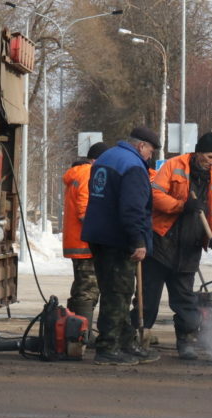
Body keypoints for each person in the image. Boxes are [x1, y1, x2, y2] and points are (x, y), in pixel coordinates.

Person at [134, 132, 212, 360]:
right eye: (209, 157)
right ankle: (138, 336)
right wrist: (181, 205)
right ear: (198, 152)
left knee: (185, 300)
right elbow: (155, 195)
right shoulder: (174, 166)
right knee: (147, 297)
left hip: (189, 247)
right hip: (161, 241)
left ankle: (186, 341)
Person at [81, 126, 160, 366]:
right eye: (150, 151)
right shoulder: (133, 166)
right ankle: (108, 347)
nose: (150, 156)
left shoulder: (107, 157)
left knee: (114, 290)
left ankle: (125, 343)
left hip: (98, 235)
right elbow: (132, 208)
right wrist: (138, 241)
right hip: (118, 238)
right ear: (141, 146)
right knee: (119, 294)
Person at [62, 142, 109, 334]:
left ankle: (73, 332)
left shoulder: (79, 173)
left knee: (81, 288)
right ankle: (82, 335)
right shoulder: (88, 174)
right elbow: (85, 211)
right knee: (88, 290)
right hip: (86, 244)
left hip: (79, 242)